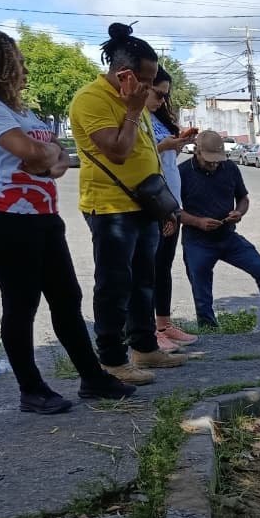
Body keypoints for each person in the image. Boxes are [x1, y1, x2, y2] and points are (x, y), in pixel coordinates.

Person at [0, 27, 136, 414]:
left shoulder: (20, 110)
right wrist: (45, 153)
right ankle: (31, 390)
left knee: (67, 298)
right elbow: (33, 155)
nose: (22, 65)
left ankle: (92, 378)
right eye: (15, 59)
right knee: (22, 303)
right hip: (4, 216)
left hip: (40, 215)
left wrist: (46, 153)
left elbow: (54, 162)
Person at [69, 23, 186, 386]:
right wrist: (134, 110)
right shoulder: (92, 100)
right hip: (111, 208)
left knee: (144, 281)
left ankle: (144, 347)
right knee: (115, 284)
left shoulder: (135, 103)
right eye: (147, 81)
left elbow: (148, 155)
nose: (152, 89)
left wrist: (165, 208)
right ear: (125, 75)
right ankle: (113, 360)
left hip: (145, 206)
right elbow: (118, 151)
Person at [178, 131, 260, 329]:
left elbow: (243, 198)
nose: (214, 164)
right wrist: (198, 222)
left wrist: (239, 212)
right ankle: (209, 331)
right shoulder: (182, 172)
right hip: (197, 240)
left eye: (217, 160)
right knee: (201, 288)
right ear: (197, 152)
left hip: (228, 237)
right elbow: (173, 210)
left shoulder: (230, 168)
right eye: (209, 160)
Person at [146, 66, 199, 352]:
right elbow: (131, 155)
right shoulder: (134, 119)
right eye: (158, 93)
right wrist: (162, 145)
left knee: (163, 265)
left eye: (165, 95)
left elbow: (166, 157)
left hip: (170, 198)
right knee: (147, 268)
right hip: (151, 201)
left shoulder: (157, 117)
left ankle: (163, 323)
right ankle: (147, 330)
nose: (161, 101)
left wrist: (176, 144)